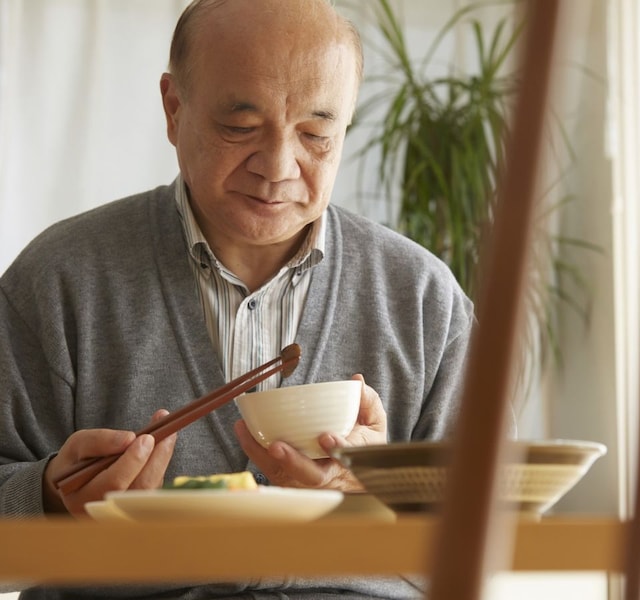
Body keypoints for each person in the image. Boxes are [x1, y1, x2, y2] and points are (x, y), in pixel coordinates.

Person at [0, 0, 476, 598]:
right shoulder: (59, 281)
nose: (278, 167)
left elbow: (494, 543)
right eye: (240, 127)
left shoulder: (426, 301)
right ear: (174, 109)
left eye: (316, 133)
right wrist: (49, 498)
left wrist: (375, 497)